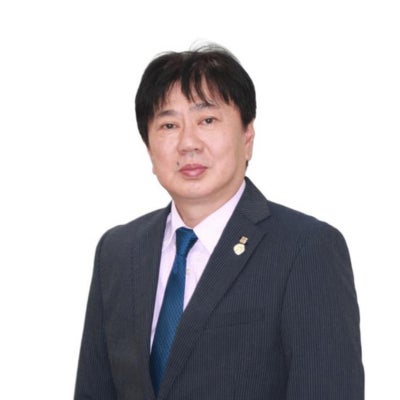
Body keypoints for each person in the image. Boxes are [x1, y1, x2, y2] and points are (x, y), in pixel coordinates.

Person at [74, 44, 364, 400]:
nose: (188, 143)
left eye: (207, 120)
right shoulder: (118, 251)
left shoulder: (305, 249)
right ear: (149, 149)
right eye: (168, 125)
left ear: (247, 137)